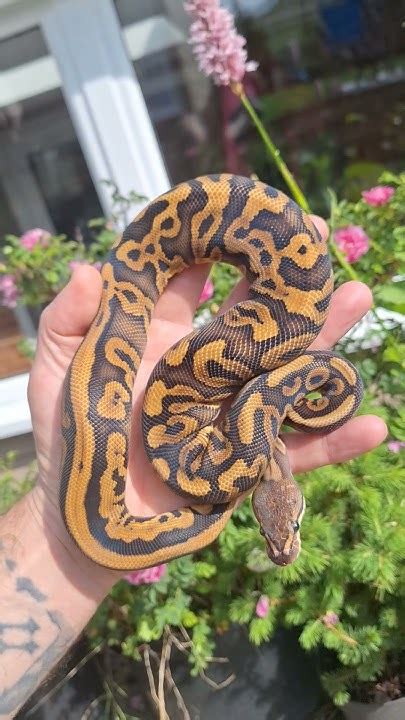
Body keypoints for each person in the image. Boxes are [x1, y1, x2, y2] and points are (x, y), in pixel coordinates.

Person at [0, 217, 387, 719]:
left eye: (282, 529)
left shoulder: (250, 435)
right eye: (286, 528)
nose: (283, 543)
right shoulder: (246, 440)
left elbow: (256, 414)